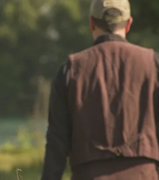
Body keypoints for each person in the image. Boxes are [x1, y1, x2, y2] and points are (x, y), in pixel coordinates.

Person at [41, 0, 159, 180]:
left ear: (91, 23)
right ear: (129, 23)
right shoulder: (153, 64)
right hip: (143, 174)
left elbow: (57, 143)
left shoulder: (71, 69)